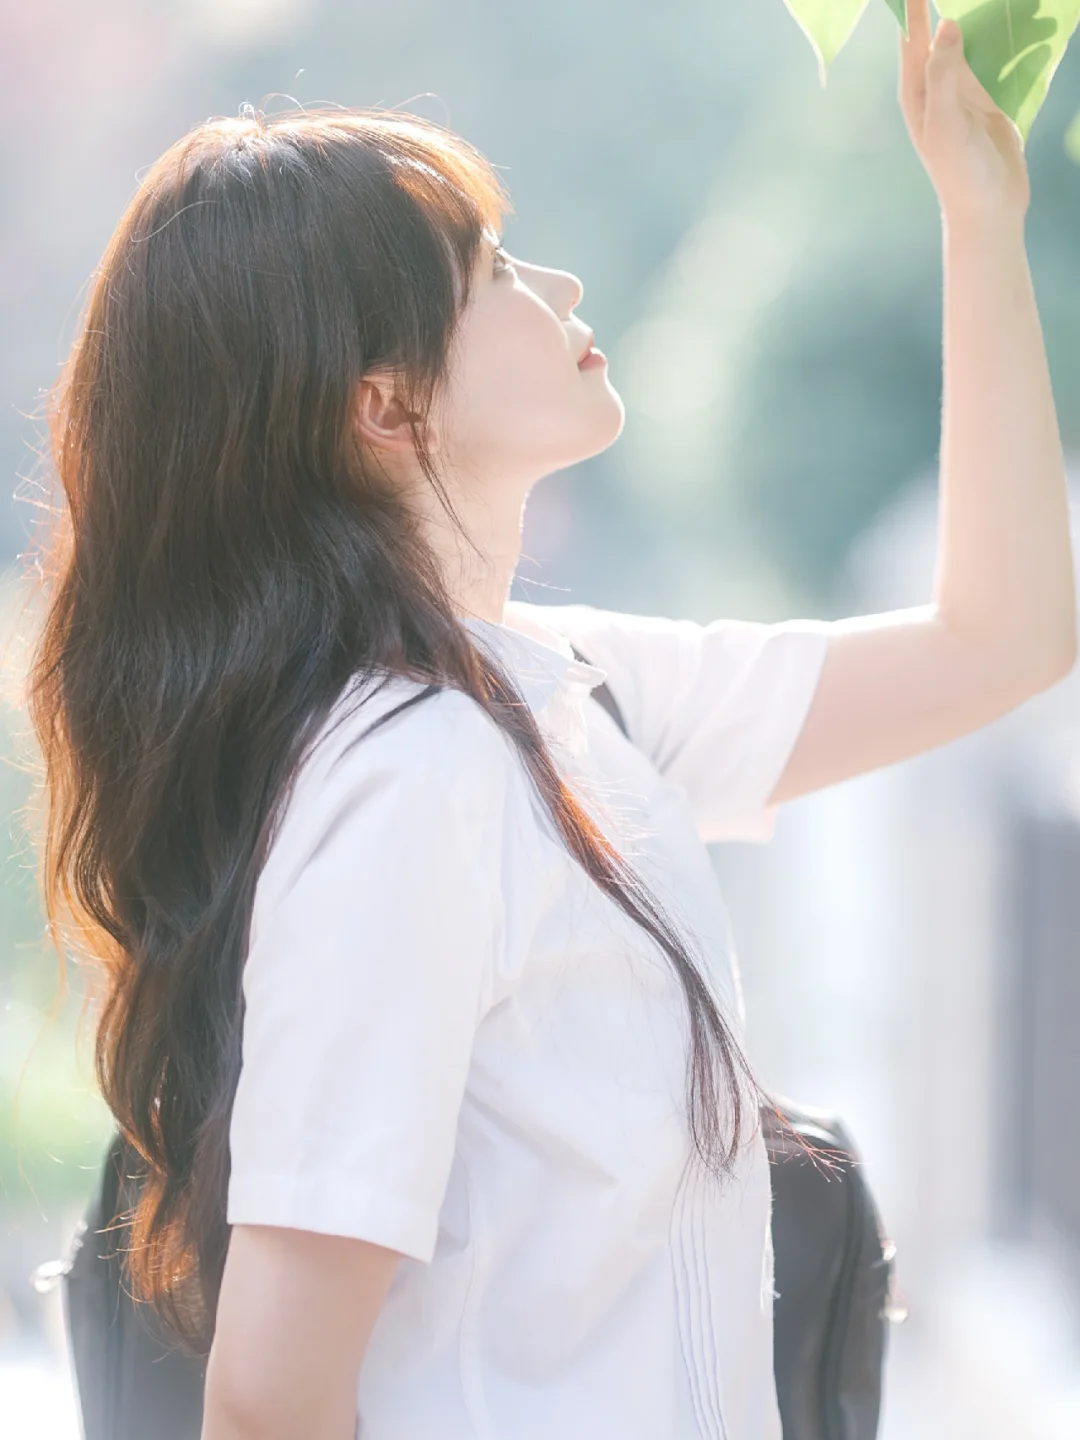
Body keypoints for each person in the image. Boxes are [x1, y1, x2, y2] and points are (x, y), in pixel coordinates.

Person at [22, 2, 1075, 1436]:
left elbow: (1000, 640)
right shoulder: (413, 778)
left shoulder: (567, 697)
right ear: (388, 407)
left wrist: (978, 214)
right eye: (496, 268)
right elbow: (272, 1397)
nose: (562, 284)